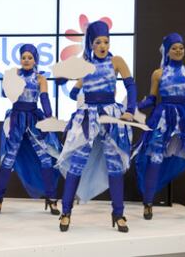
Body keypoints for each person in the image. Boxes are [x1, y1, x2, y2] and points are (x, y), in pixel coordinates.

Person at [57, 21, 136, 232]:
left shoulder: (117, 61)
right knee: (76, 164)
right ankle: (66, 212)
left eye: (106, 41)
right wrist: (62, 75)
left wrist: (130, 110)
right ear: (91, 44)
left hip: (110, 116)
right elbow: (67, 88)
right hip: (88, 117)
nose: (103, 45)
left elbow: (131, 85)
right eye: (98, 42)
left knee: (115, 167)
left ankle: (118, 213)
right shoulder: (84, 64)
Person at [134, 33, 185, 221]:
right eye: (174, 48)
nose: (178, 50)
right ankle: (148, 203)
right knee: (155, 159)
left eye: (181, 47)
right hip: (164, 118)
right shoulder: (158, 73)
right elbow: (152, 99)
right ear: (167, 51)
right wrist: (133, 107)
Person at [0, 44, 62, 216]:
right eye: (23, 57)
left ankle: (51, 199)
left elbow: (44, 98)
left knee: (45, 159)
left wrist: (49, 116)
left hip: (33, 119)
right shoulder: (14, 74)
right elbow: (4, 93)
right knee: (7, 160)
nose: (26, 60)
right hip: (16, 119)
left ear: (35, 59)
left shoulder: (40, 79)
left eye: (30, 57)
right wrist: (9, 79)